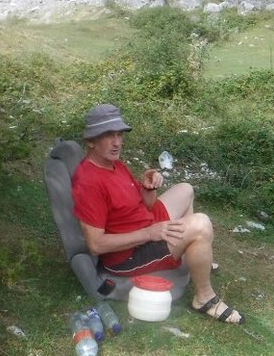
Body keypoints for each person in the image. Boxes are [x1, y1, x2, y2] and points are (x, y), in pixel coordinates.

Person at [71, 103, 243, 325]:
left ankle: (196, 254)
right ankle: (204, 297)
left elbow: (144, 204)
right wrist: (149, 233)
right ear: (91, 141)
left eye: (119, 134)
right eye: (107, 135)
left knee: (186, 189)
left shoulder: (113, 164)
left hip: (146, 225)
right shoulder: (88, 182)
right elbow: (96, 245)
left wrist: (148, 188)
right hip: (129, 255)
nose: (117, 142)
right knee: (201, 224)